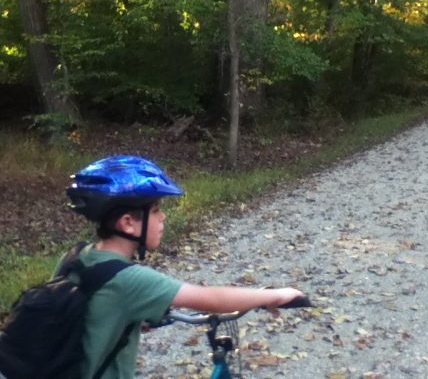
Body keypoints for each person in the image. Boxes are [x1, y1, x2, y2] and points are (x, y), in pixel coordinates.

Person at [62, 155, 304, 378]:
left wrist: (127, 317)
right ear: (127, 223)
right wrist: (275, 295)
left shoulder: (77, 256)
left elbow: (90, 311)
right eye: (156, 210)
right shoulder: (129, 279)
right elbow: (211, 299)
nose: (163, 217)